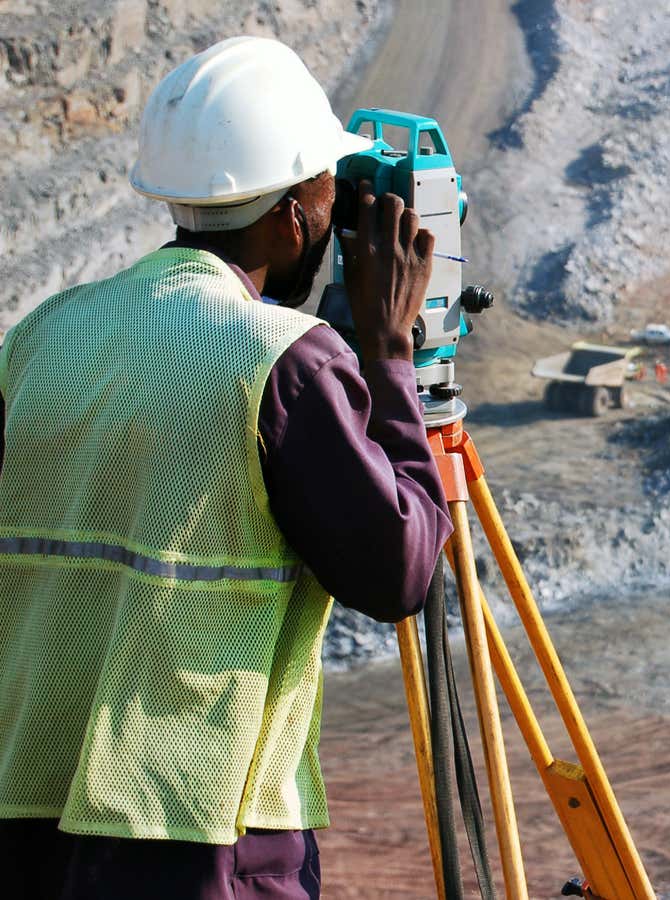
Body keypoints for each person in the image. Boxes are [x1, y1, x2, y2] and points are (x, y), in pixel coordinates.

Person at [0, 36, 453, 899]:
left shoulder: (42, 333)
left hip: (28, 820)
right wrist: (391, 353)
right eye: (329, 190)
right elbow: (401, 570)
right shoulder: (284, 362)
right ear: (292, 215)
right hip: (202, 838)